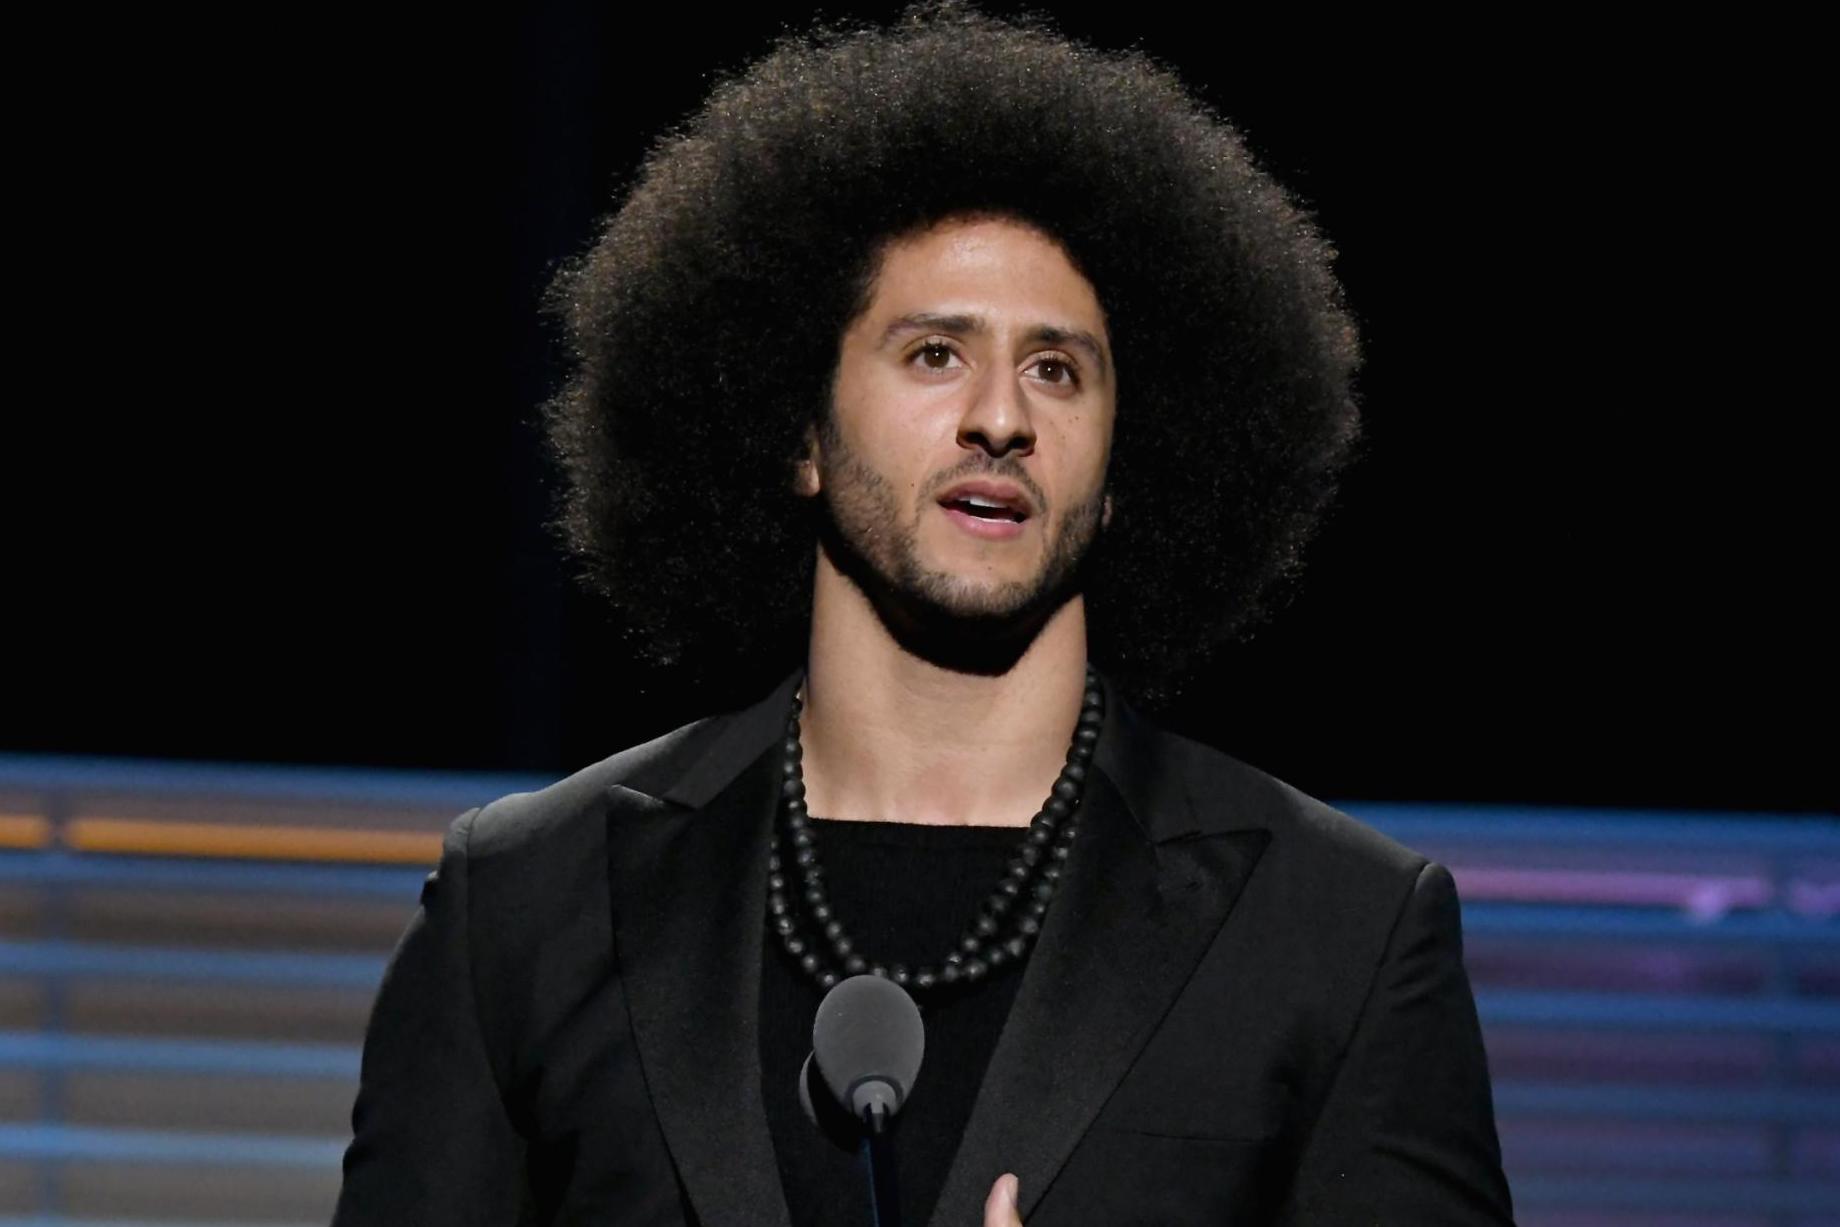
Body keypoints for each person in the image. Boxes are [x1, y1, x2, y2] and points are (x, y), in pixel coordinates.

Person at [334, 4, 1514, 1224]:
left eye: (1057, 368)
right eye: (934, 353)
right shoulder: (530, 902)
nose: (1000, 417)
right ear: (796, 429)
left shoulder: (1336, 934)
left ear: (1119, 474)